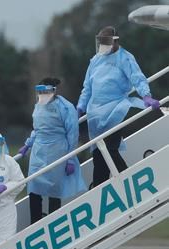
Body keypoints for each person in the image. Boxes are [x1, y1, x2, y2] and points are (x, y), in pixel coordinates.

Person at [77, 26, 162, 187]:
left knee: (110, 150)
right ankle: (99, 187)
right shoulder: (95, 60)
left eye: (105, 41)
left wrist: (146, 95)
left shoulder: (125, 58)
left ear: (115, 40)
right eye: (100, 41)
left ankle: (129, 183)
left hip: (115, 110)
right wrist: (80, 106)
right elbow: (87, 87)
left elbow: (137, 77)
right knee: (99, 156)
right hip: (95, 115)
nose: (102, 44)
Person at [18, 78, 87, 223]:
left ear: (54, 90)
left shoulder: (65, 107)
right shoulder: (38, 105)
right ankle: (35, 224)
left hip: (58, 150)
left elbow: (73, 133)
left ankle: (53, 223)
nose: (42, 94)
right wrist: (27, 144)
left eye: (45, 91)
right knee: (34, 188)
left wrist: (69, 158)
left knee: (54, 190)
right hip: (38, 152)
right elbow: (37, 129)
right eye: (40, 91)